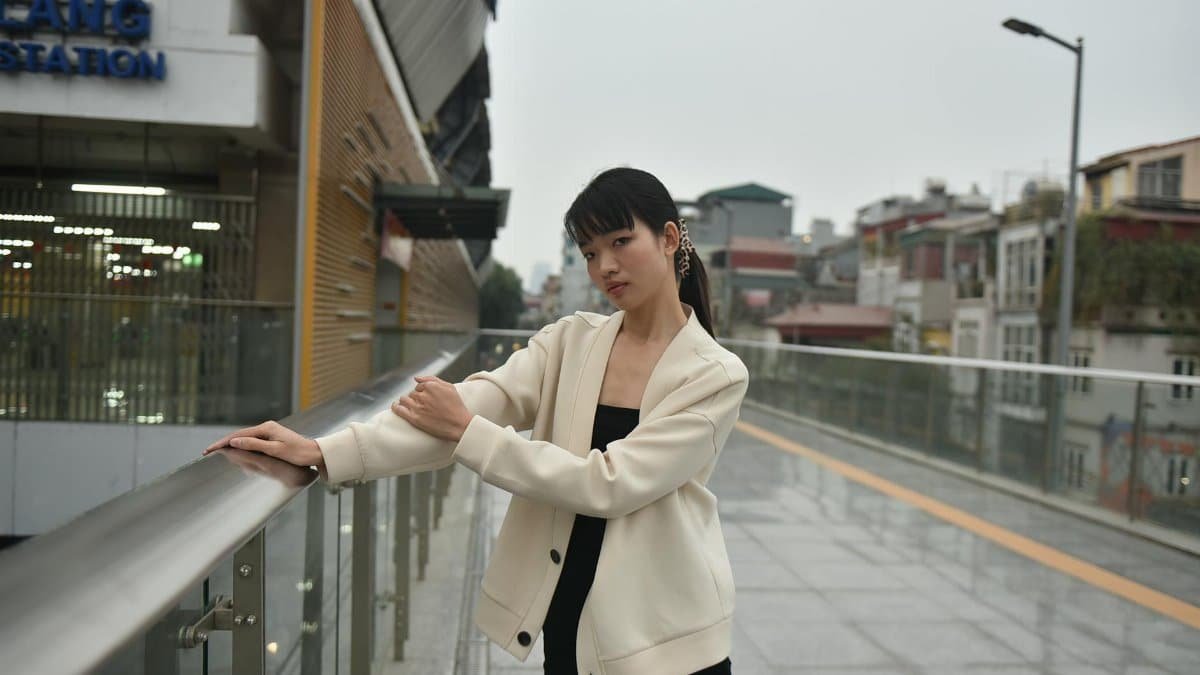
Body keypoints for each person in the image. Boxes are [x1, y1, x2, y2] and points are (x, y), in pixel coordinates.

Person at [205, 167, 748, 674]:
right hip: (569, 612)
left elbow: (609, 483)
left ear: (670, 238)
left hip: (668, 637)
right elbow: (466, 407)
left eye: (619, 242)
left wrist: (468, 433)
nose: (603, 266)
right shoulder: (571, 341)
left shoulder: (715, 374)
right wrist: (324, 451)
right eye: (588, 252)